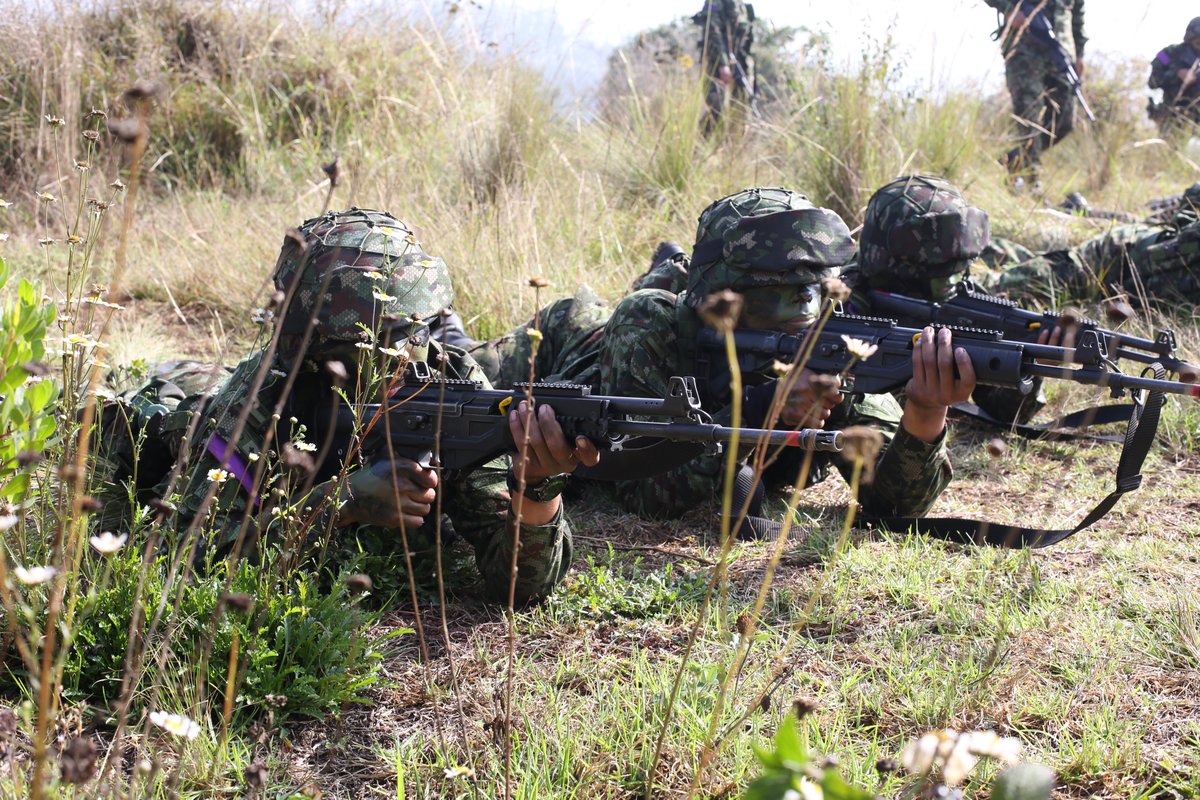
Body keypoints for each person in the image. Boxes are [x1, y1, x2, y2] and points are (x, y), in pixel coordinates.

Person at [100, 208, 599, 604]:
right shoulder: (262, 397)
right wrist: (340, 503)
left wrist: (537, 485)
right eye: (381, 340)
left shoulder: (451, 383)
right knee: (148, 409)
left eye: (414, 329)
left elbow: (520, 587)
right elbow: (189, 563)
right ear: (315, 349)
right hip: (187, 411)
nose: (406, 354)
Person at [596, 187, 977, 533]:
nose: (805, 298)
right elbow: (643, 495)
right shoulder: (652, 324)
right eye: (780, 285)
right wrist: (757, 409)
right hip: (589, 348)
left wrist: (925, 413)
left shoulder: (828, 344)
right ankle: (668, 267)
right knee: (588, 313)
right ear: (725, 288)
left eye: (814, 284)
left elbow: (895, 505)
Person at [845, 174, 1074, 425]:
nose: (950, 283)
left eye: (956, 270)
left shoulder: (964, 305)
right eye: (938, 273)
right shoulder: (845, 306)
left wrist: (1031, 364)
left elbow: (1006, 413)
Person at [987, 184, 1200, 308]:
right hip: (1119, 257)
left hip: (1136, 280)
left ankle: (994, 249)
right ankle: (975, 251)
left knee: (1038, 268)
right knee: (1011, 288)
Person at [985, 0, 1087, 190]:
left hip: (1060, 51)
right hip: (1024, 47)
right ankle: (1032, 184)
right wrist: (1009, 10)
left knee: (1064, 121)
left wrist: (1079, 53)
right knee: (1029, 116)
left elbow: (1077, 10)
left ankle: (1015, 159)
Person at [693, 0, 755, 134]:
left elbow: (747, 41)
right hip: (717, 62)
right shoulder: (715, 2)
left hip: (741, 64)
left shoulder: (743, 7)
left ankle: (734, 145)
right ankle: (702, 141)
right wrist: (722, 63)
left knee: (742, 111)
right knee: (717, 109)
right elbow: (712, 30)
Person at [1148, 17, 1200, 132]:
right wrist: (1176, 75)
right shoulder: (1168, 54)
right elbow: (1152, 81)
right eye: (1198, 42)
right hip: (1172, 118)